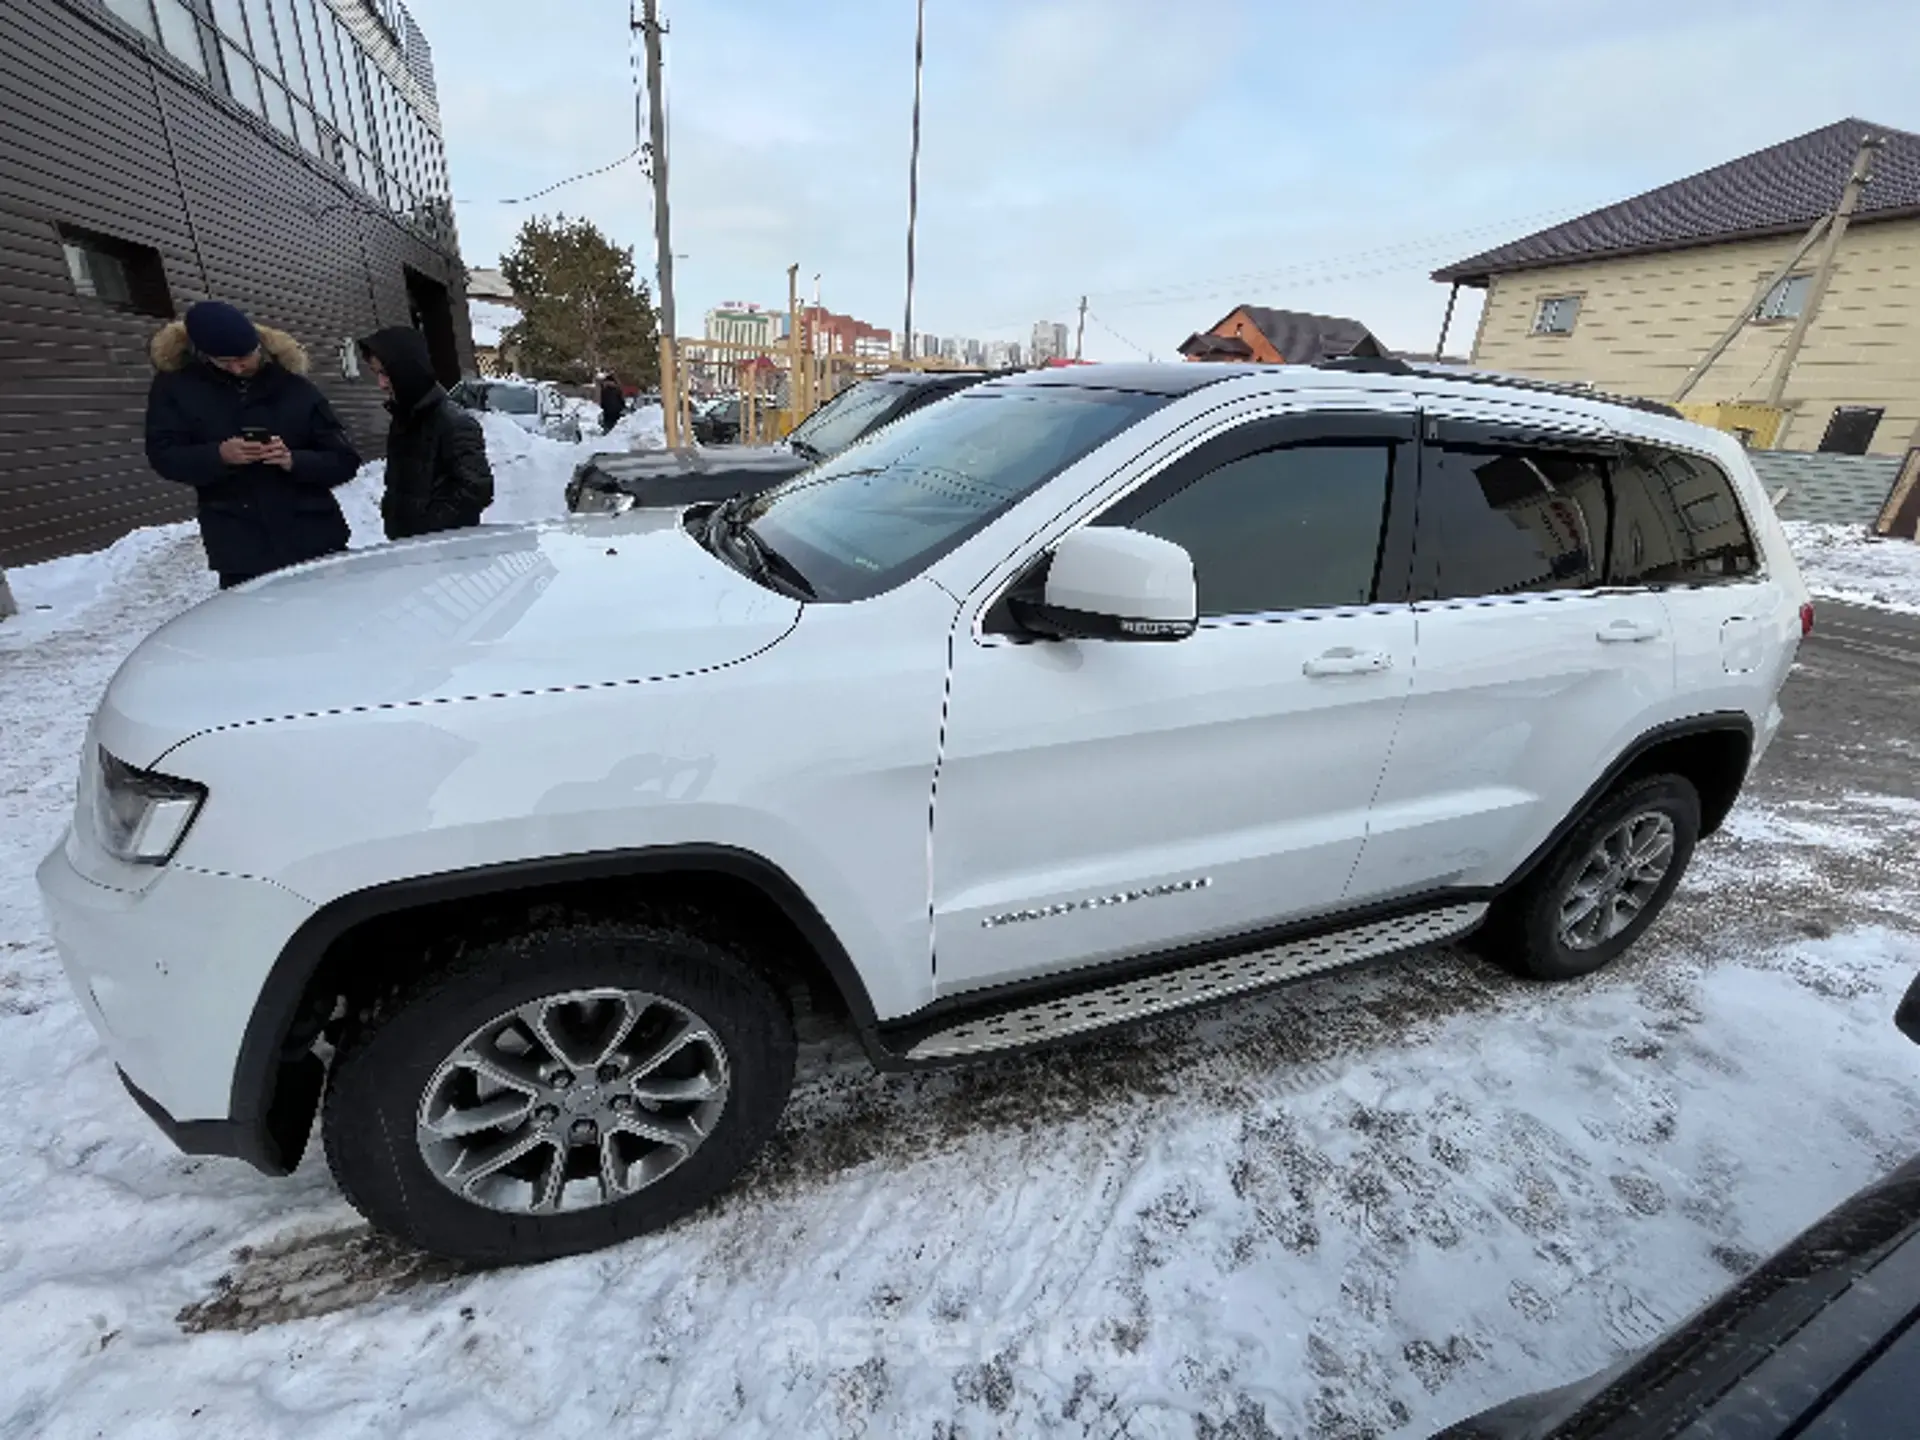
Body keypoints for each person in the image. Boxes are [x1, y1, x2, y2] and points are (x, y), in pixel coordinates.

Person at [145, 300, 361, 589]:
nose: (236, 368)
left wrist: (293, 460)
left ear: (259, 346)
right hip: (240, 548)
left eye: (244, 358)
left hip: (315, 538)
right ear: (201, 353)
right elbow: (163, 455)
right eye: (223, 362)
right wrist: (218, 455)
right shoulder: (175, 389)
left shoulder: (294, 387)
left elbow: (344, 460)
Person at [356, 326, 493, 541]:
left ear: (406, 369)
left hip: (445, 556)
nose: (381, 384)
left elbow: (477, 490)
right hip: (409, 550)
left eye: (385, 374)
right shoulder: (404, 418)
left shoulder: (454, 423)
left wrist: (426, 530)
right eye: (377, 374)